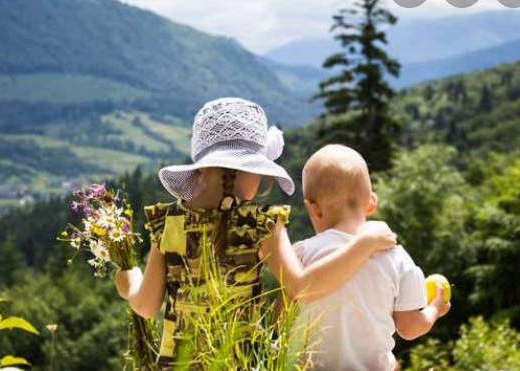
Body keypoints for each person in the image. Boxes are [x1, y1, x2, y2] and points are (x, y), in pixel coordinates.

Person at [113, 98, 398, 369]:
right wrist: (365, 243)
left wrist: (129, 281)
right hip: (240, 362)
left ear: (201, 169)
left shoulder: (167, 222)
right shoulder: (262, 224)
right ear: (247, 171)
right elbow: (301, 288)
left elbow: (146, 306)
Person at [293, 144, 451, 371]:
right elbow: (409, 328)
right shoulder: (397, 257)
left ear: (314, 209)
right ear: (371, 203)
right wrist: (436, 307)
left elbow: (281, 319)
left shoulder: (301, 254)